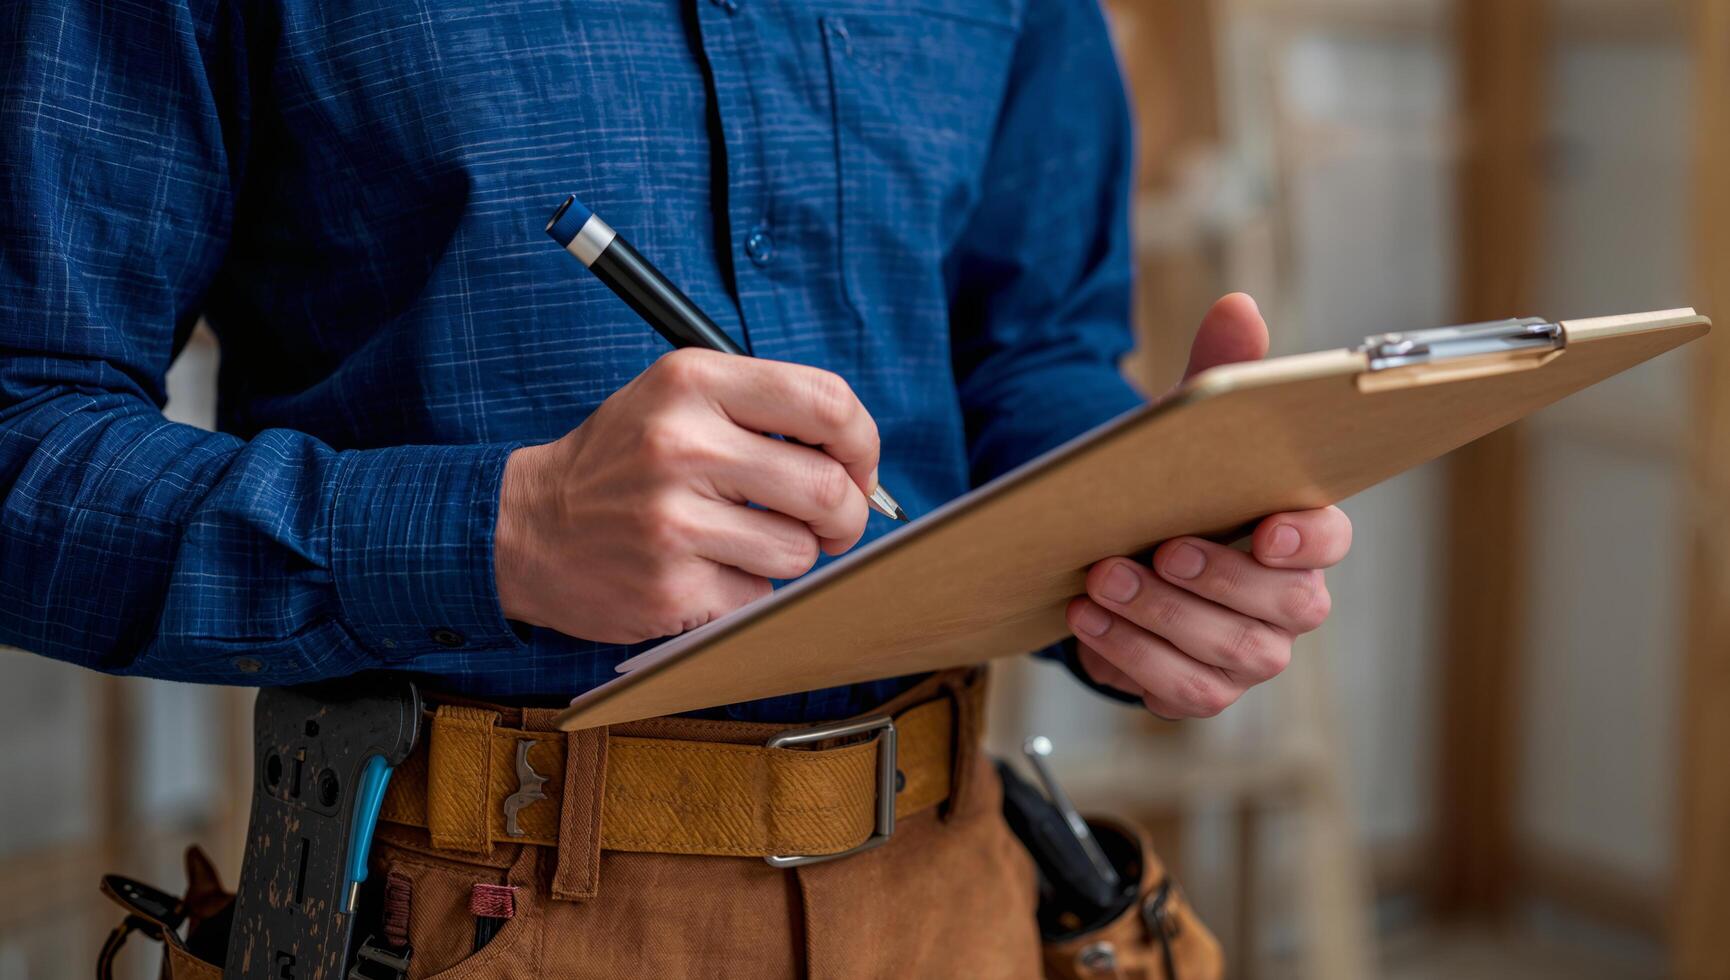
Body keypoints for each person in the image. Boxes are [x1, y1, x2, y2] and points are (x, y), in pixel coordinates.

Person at [0, 0, 1350, 975]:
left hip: (957, 888)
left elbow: (1025, 352)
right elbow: (22, 437)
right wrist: (499, 534)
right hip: (461, 913)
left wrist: (1152, 549)